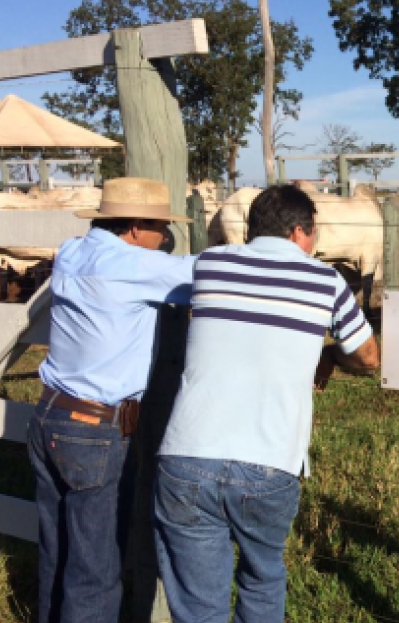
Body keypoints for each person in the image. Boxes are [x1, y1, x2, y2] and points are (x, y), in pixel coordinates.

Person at [153, 184, 379, 623]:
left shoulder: (210, 263)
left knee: (198, 606)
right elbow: (369, 358)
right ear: (300, 232)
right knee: (261, 577)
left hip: (186, 454)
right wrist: (330, 355)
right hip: (270, 462)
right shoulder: (325, 280)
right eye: (315, 234)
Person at [28, 177, 196, 623]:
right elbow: (206, 276)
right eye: (161, 227)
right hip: (94, 429)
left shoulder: (72, 251)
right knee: (95, 571)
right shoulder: (134, 265)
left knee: (56, 553)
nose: (166, 239)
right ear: (137, 227)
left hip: (49, 414)